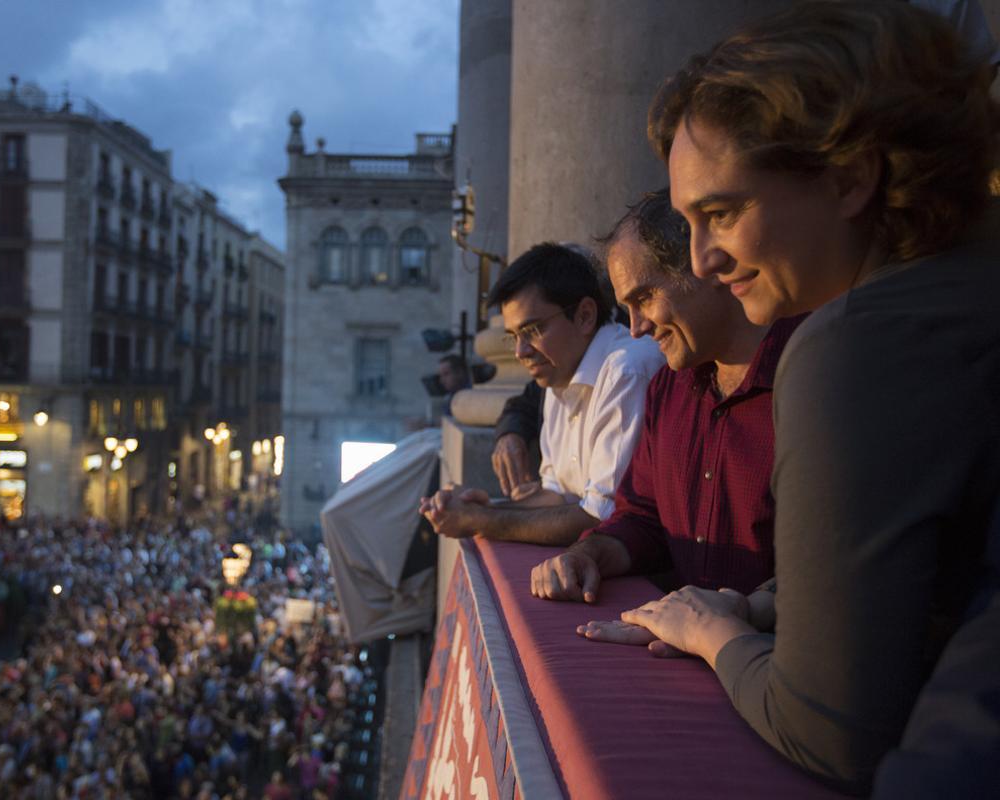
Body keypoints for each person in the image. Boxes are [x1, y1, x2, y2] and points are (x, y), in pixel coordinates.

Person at [590, 2, 1000, 794]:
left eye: (721, 213)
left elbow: (827, 730)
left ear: (850, 176)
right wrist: (770, 608)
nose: (702, 261)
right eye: (687, 222)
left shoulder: (851, 344)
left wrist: (716, 636)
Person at [531, 190, 801, 614]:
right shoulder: (668, 388)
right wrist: (589, 554)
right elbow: (641, 517)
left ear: (705, 267)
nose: (636, 329)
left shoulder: (811, 375)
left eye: (643, 299)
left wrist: (740, 616)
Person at [420, 242, 663, 545]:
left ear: (585, 315)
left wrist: (479, 520)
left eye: (533, 330)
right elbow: (556, 497)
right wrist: (480, 508)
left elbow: (603, 519)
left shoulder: (627, 370)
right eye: (513, 337)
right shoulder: (558, 374)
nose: (521, 352)